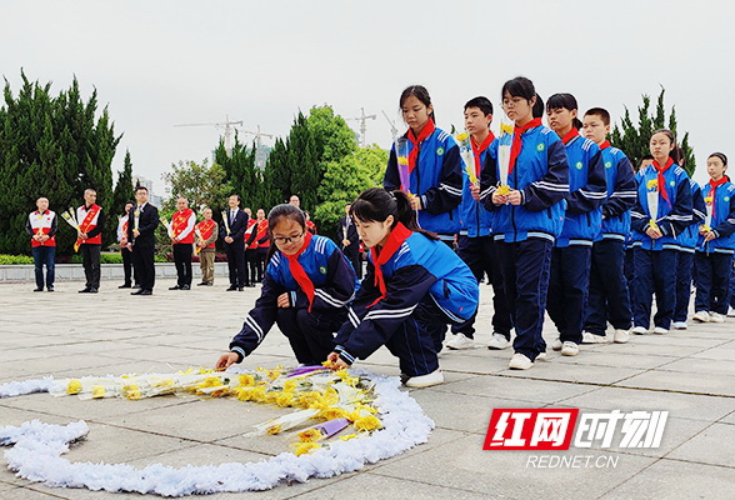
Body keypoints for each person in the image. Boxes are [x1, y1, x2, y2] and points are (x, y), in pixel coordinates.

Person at [327, 188, 478, 388]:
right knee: (381, 310)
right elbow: (365, 300)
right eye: (357, 225)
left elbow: (396, 306)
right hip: (431, 294)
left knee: (395, 311)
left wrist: (351, 352)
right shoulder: (376, 252)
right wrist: (342, 345)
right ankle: (418, 360)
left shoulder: (411, 252)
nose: (361, 233)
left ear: (388, 221)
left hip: (458, 298)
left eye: (367, 225)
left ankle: (427, 369)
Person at [480, 76, 570, 370]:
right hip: (504, 229)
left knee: (531, 288)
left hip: (537, 227)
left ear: (532, 101)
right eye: (506, 101)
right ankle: (535, 341)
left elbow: (560, 184)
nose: (510, 107)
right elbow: (486, 184)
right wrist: (492, 197)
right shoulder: (499, 144)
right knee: (510, 291)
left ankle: (526, 348)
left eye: (516, 101)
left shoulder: (548, 139)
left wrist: (526, 195)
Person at [215, 204, 357, 369]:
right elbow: (265, 307)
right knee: (284, 314)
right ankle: (307, 362)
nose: (288, 244)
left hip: (342, 310)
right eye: (280, 238)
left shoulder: (323, 248)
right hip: (310, 310)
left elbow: (346, 292)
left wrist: (299, 298)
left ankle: (327, 360)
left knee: (305, 315)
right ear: (272, 236)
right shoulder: (277, 262)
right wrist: (238, 350)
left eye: (294, 236)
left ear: (305, 229)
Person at [448, 96, 512, 351]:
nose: (469, 121)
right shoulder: (460, 151)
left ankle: (501, 331)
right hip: (467, 229)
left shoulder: (500, 150)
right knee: (465, 282)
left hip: (494, 227)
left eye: (474, 115)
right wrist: (457, 226)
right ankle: (464, 331)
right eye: (466, 116)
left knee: (501, 283)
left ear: (488, 118)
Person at [581, 107, 637, 344]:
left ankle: (623, 322)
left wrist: (604, 211)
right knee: (590, 279)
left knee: (613, 277)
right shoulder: (581, 154)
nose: (589, 130)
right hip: (586, 231)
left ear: (607, 128)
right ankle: (595, 326)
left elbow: (628, 193)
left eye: (594, 125)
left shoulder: (616, 157)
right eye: (585, 126)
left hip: (610, 230)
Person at [383, 85, 463, 248]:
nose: (410, 115)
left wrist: (423, 201)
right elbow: (389, 185)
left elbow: (454, 189)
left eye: (416, 109)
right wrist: (401, 202)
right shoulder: (400, 146)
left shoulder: (445, 142)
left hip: (439, 231)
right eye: (405, 111)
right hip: (406, 231)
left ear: (429, 108)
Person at [630, 129, 693, 334]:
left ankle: (663, 321)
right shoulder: (642, 175)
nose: (657, 147)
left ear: (671, 146)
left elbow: (684, 211)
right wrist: (646, 226)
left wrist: (663, 228)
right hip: (642, 238)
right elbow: (632, 205)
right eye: (653, 143)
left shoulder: (679, 176)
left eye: (662, 143)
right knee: (641, 279)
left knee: (666, 279)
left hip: (668, 240)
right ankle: (640, 321)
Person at [692, 153, 735, 323]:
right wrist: (700, 227)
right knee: (702, 277)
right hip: (703, 243)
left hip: (723, 243)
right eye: (709, 164)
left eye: (715, 164)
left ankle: (720, 309)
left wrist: (718, 232)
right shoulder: (702, 190)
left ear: (724, 167)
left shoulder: (731, 191)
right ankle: (702, 308)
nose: (711, 168)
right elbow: (696, 213)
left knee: (722, 278)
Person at [672, 175, 706, 328]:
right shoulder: (655, 181)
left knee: (683, 279)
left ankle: (680, 316)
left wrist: (679, 217)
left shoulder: (693, 186)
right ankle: (666, 313)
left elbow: (700, 212)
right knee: (665, 279)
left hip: (686, 240)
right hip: (665, 240)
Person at [128, 186, 160, 296]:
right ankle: (142, 286)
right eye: (140, 193)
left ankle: (149, 287)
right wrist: (129, 241)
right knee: (138, 265)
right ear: (136, 196)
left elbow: (154, 224)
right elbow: (129, 226)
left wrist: (141, 231)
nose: (143, 195)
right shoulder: (133, 210)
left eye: (145, 193)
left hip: (147, 241)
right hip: (135, 242)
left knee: (148, 264)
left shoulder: (152, 209)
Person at [77, 189, 106, 293]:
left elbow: (100, 226)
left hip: (94, 241)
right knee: (86, 264)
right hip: (83, 241)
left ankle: (95, 285)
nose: (93, 198)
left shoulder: (99, 210)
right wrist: (80, 234)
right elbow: (78, 225)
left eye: (94, 196)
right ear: (85, 196)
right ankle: (88, 284)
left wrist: (88, 235)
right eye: (91, 195)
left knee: (95, 264)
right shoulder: (79, 210)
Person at [26, 196, 57, 292]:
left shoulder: (52, 214)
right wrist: (33, 235)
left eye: (46, 202)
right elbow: (28, 227)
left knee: (50, 266)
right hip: (36, 243)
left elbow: (55, 227)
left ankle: (50, 285)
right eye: (42, 202)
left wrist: (48, 236)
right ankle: (39, 285)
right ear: (37, 204)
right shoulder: (32, 215)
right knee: (38, 266)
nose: (44, 204)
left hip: (49, 243)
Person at [221, 194, 249, 291]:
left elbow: (243, 228)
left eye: (233, 200)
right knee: (231, 263)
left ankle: (241, 283)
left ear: (238, 202)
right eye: (230, 200)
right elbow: (222, 227)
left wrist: (234, 238)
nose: (231, 201)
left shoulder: (243, 215)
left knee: (240, 263)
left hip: (238, 242)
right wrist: (225, 237)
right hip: (228, 243)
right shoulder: (225, 214)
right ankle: (233, 283)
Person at [169, 197, 196, 290]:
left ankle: (187, 283)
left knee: (187, 263)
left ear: (187, 204)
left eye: (183, 203)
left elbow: (189, 227)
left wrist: (179, 237)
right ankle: (180, 282)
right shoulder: (175, 215)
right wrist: (171, 236)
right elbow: (170, 226)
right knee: (178, 263)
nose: (181, 205)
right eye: (179, 203)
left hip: (186, 242)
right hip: (176, 243)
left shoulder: (191, 214)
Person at [117, 201, 138, 289]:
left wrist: (128, 239)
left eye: (130, 207)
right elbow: (119, 230)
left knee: (136, 264)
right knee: (126, 264)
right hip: (123, 244)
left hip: (131, 244)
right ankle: (127, 281)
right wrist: (120, 239)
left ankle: (138, 281)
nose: (128, 208)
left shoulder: (135, 218)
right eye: (127, 206)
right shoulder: (122, 219)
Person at [195, 207, 219, 286]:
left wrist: (205, 243)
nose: (209, 215)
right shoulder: (199, 225)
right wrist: (199, 242)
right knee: (203, 265)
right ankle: (204, 279)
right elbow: (195, 236)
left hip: (210, 247)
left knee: (210, 265)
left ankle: (210, 280)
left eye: (210, 213)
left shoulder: (214, 224)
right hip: (201, 248)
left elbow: (214, 236)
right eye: (207, 213)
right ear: (203, 214)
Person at [338, 203, 362, 279]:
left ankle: (357, 277)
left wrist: (350, 241)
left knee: (355, 261)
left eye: (349, 208)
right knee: (345, 260)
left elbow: (357, 232)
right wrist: (342, 240)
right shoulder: (342, 220)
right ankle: (346, 277)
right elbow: (338, 231)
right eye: (347, 208)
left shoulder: (356, 219)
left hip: (353, 243)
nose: (348, 210)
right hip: (344, 244)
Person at [254, 209, 270, 283]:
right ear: (256, 214)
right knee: (257, 262)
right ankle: (259, 277)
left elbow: (268, 234)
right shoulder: (254, 223)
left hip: (265, 245)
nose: (260, 214)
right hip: (255, 245)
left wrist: (260, 241)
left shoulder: (267, 223)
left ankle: (266, 277)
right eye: (259, 213)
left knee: (266, 262)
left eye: (262, 213)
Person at [243, 208, 258, 287]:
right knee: (244, 264)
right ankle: (245, 281)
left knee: (252, 264)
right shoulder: (240, 222)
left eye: (248, 212)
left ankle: (253, 280)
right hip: (242, 246)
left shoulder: (254, 223)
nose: (247, 214)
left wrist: (247, 244)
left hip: (251, 246)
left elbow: (253, 235)